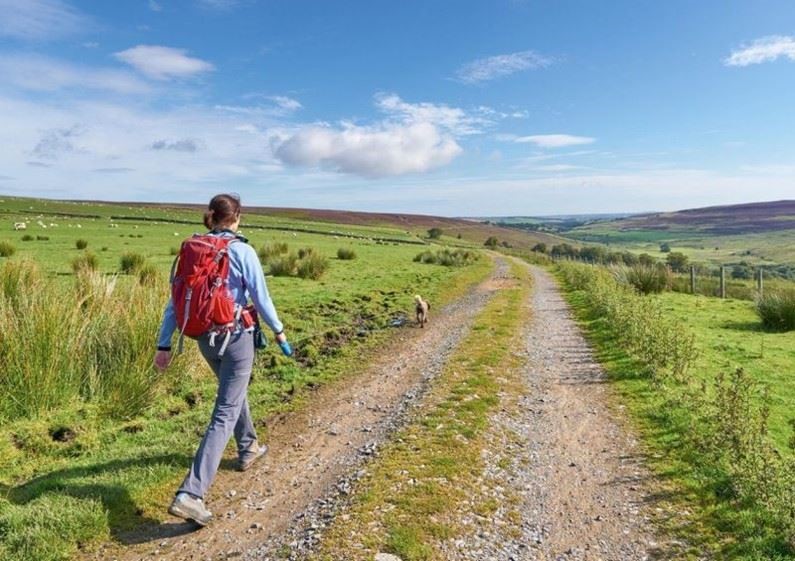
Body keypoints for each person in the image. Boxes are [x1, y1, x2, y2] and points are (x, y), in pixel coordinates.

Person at [154, 193, 293, 526]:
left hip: (203, 338)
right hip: (236, 338)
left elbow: (175, 303)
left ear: (211, 218)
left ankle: (248, 447)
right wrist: (279, 331)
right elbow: (261, 297)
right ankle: (191, 494)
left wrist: (164, 345)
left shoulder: (192, 251)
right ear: (237, 217)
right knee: (225, 411)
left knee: (233, 392)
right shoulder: (243, 251)